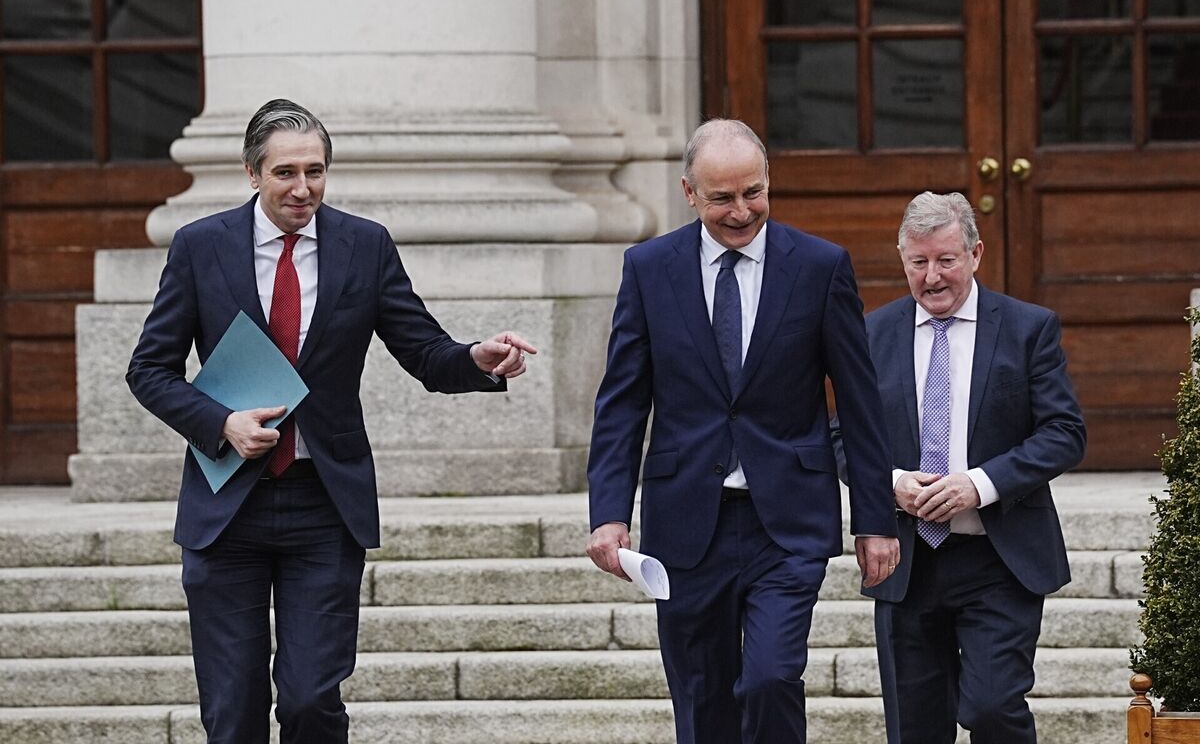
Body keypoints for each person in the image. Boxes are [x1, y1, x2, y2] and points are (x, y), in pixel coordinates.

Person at [126, 98, 536, 744]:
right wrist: (221, 424)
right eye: (286, 172)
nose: (303, 188)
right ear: (252, 172)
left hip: (324, 504)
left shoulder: (363, 246)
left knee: (312, 699)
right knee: (231, 713)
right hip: (227, 508)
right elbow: (149, 370)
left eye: (315, 171)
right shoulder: (201, 247)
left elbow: (424, 353)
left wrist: (477, 359)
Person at [585, 118, 899, 744]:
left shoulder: (819, 266)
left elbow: (861, 406)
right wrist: (608, 513)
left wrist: (875, 521)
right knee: (701, 700)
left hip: (786, 519)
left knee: (770, 677)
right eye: (722, 198)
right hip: (685, 520)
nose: (740, 211)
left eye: (753, 193)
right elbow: (622, 402)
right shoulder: (649, 268)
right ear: (689, 192)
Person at [859, 191, 1086, 743]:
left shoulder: (1028, 328)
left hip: (998, 558)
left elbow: (1064, 433)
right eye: (918, 262)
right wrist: (892, 484)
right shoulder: (871, 333)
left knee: (990, 708)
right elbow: (844, 435)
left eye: (946, 260)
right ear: (902, 258)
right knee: (915, 729)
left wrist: (978, 485)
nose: (932, 277)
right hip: (907, 562)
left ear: (976, 254)